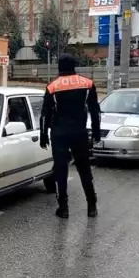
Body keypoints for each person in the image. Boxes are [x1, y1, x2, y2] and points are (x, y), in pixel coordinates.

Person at [40, 54, 101, 219]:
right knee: (84, 169)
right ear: (74, 66)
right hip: (79, 132)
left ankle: (64, 208)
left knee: (61, 170)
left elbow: (45, 114)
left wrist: (43, 134)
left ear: (59, 67)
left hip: (59, 133)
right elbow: (95, 111)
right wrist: (96, 132)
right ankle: (92, 206)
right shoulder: (87, 84)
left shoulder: (53, 86)